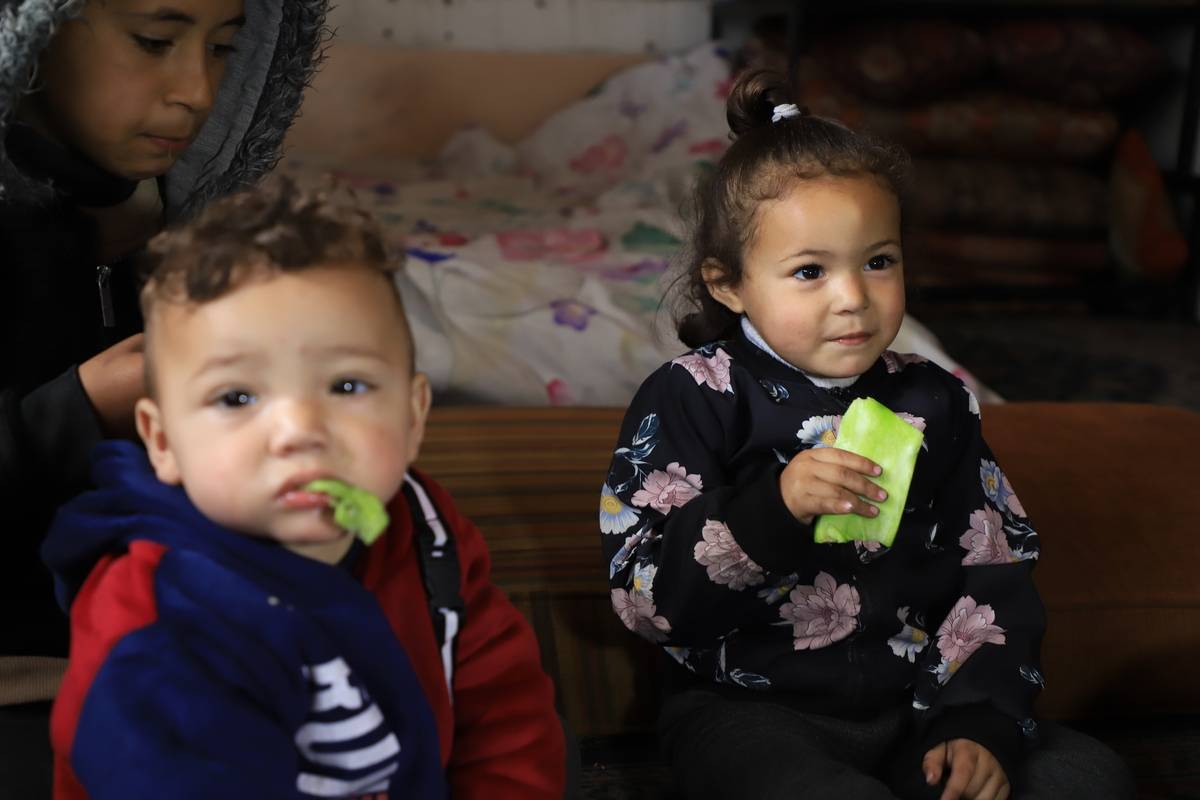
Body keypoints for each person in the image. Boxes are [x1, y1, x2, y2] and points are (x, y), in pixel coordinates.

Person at [599, 71, 1133, 800]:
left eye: (878, 261)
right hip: (751, 712)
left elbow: (994, 568)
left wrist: (975, 721)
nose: (853, 297)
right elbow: (643, 598)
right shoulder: (692, 396)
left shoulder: (934, 399)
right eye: (810, 271)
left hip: (916, 706)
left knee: (1087, 776)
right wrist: (772, 509)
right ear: (729, 284)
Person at [40, 177, 568, 798]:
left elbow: (502, 707)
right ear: (163, 442)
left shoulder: (424, 528)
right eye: (236, 396)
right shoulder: (159, 629)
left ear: (413, 414)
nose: (298, 431)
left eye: (346, 386)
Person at [0, 1, 327, 793]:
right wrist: (75, 410)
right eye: (154, 41)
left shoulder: (192, 243)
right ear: (29, 32)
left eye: (224, 49)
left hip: (189, 658)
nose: (197, 90)